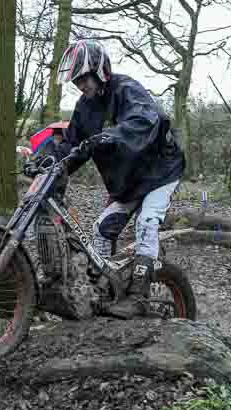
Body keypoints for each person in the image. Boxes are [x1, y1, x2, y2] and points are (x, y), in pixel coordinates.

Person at [55, 39, 186, 319]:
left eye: (84, 78)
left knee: (146, 223)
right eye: (77, 81)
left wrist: (109, 136)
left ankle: (139, 296)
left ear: (100, 70)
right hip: (128, 183)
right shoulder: (84, 108)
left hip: (160, 172)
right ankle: (104, 291)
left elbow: (145, 121)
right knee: (101, 229)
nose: (81, 85)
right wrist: (49, 161)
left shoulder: (127, 90)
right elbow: (72, 146)